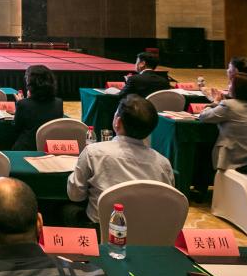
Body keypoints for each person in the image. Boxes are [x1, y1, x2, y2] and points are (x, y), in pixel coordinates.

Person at [66, 95, 174, 225]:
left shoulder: (93, 152)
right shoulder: (163, 164)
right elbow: (167, 203)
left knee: (65, 209)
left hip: (101, 228)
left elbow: (75, 195)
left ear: (117, 122)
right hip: (146, 229)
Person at [197, 73, 247, 172]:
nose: (228, 86)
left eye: (230, 83)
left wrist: (215, 102)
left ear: (239, 89)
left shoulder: (228, 106)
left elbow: (204, 117)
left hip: (232, 159)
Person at [12, 65, 65, 151]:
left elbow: (16, 128)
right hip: (49, 148)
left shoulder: (23, 104)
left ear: (30, 84)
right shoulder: (59, 103)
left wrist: (22, 102)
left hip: (27, 148)